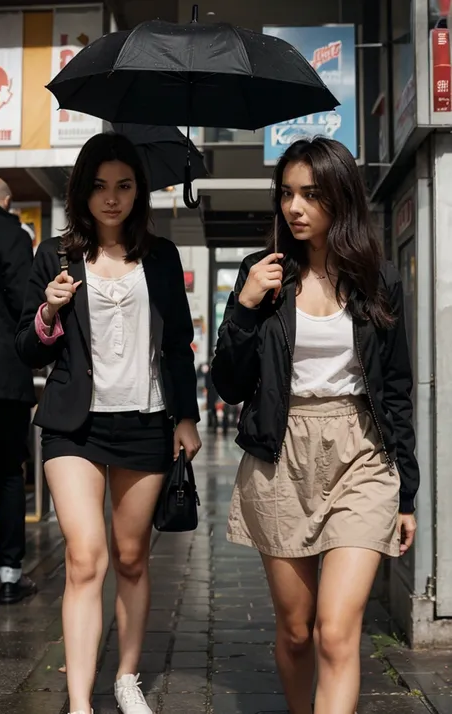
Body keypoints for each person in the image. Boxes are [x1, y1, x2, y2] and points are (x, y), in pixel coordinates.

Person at [211, 137, 419, 714]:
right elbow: (226, 385)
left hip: (362, 453)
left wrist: (406, 491)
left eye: (310, 194)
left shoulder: (381, 282)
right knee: (297, 631)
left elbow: (396, 391)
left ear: (340, 197)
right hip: (281, 453)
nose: (294, 208)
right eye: (286, 194)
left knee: (335, 630)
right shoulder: (264, 278)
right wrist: (246, 307)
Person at [15, 133, 201, 714]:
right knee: (85, 556)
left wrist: (187, 415)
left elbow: (178, 345)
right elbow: (29, 348)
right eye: (99, 187)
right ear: (82, 191)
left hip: (146, 423)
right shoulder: (56, 256)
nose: (111, 198)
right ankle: (78, 702)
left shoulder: (163, 256)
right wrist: (49, 309)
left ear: (139, 191)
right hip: (75, 425)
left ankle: (125, 677)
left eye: (123, 186)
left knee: (131, 558)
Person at [0, 176, 37, 612]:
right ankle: (11, 576)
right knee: (10, 474)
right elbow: (25, 303)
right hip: (7, 375)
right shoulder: (13, 236)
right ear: (7, 200)